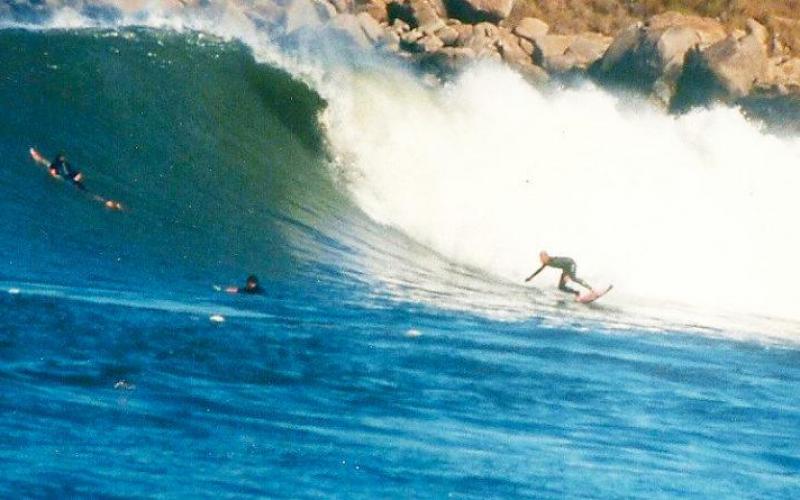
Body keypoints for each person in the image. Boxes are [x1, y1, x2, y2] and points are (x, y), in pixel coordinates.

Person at [525, 250, 594, 296]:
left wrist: (567, 275)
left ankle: (591, 289)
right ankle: (576, 293)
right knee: (561, 287)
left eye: (542, 258)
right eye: (540, 258)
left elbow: (566, 264)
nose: (541, 260)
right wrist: (531, 277)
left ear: (546, 256)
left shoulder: (554, 261)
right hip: (565, 268)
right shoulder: (547, 262)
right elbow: (539, 270)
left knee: (573, 278)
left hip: (571, 263)